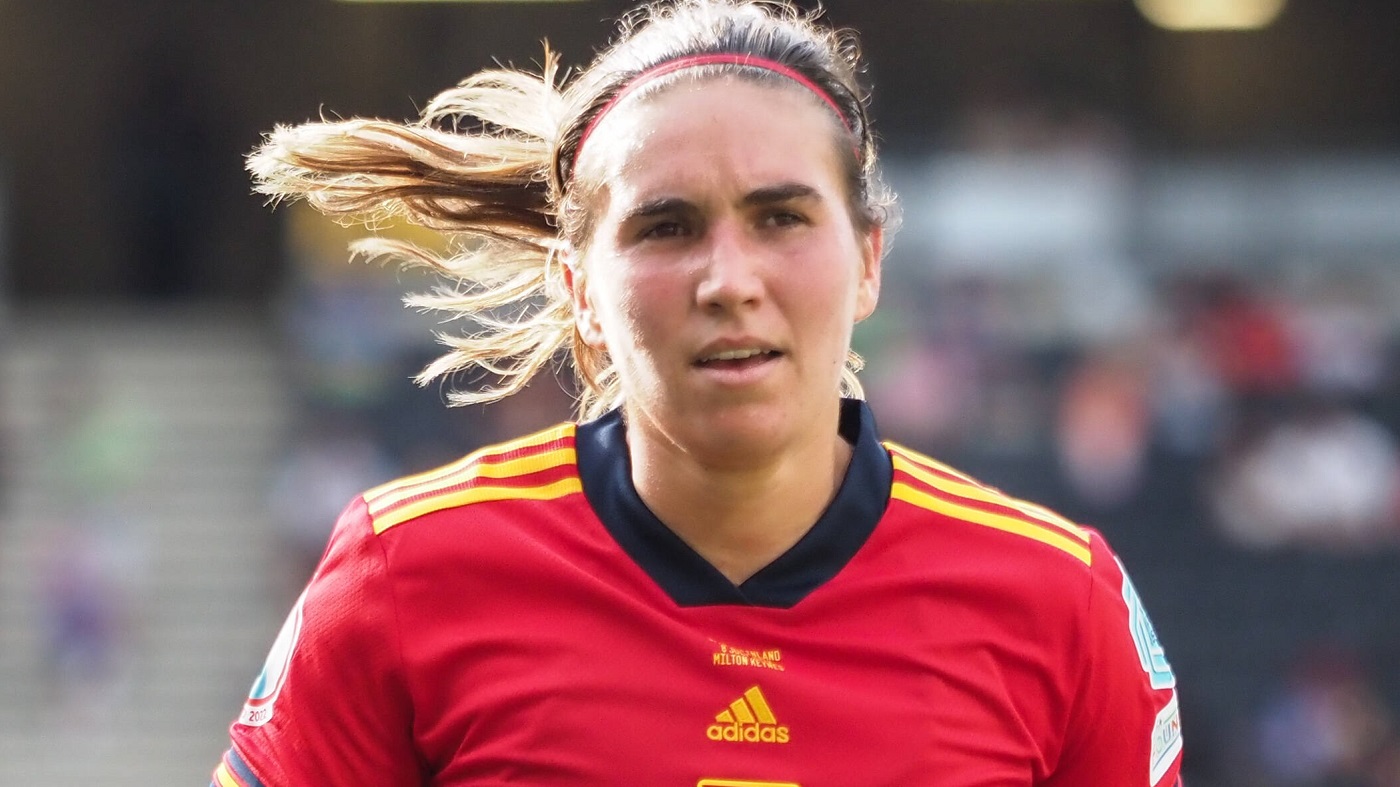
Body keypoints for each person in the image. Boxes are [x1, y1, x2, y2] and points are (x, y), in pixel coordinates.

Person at [212, 1, 1184, 784]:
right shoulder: (403, 573)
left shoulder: (1060, 603)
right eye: (667, 227)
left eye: (780, 218)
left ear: (868, 260)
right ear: (579, 288)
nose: (728, 280)